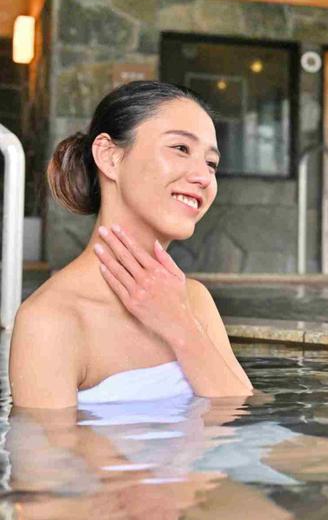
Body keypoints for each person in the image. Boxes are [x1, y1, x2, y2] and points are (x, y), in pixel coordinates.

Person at [10, 81, 254, 409]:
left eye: (211, 163)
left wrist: (179, 324)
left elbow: (241, 418)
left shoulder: (192, 300)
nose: (204, 177)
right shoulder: (51, 320)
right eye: (181, 148)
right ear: (110, 157)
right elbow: (49, 457)